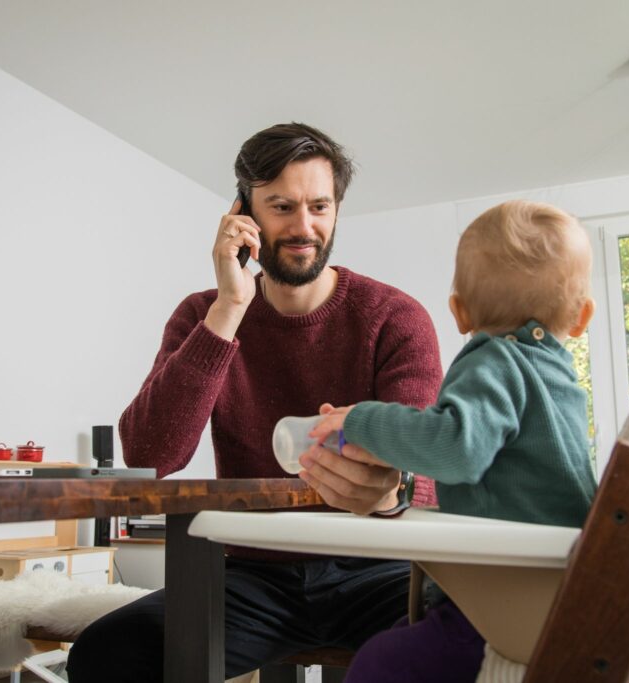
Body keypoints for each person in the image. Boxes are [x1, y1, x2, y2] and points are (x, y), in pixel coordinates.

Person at [65, 122, 443, 682]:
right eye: (282, 207)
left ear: (337, 209)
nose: (303, 226)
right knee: (105, 655)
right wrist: (228, 308)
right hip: (253, 576)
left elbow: (426, 476)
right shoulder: (203, 315)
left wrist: (391, 491)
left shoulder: (395, 317)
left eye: (319, 206)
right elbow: (149, 452)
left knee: (477, 641)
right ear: (243, 213)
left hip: (379, 567)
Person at [307, 199, 599, 682]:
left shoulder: (495, 362)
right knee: (402, 633)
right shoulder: (559, 377)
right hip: (554, 590)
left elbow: (456, 447)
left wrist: (362, 420)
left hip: (508, 606)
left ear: (459, 313)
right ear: (582, 318)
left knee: (378, 664)